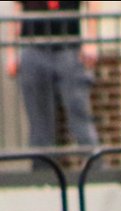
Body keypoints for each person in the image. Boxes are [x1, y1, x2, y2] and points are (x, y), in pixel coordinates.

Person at [5, 0, 101, 152]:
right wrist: (11, 53)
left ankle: (95, 170)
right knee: (39, 123)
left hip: (69, 48)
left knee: (79, 114)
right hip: (34, 48)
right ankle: (43, 173)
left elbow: (93, 4)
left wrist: (91, 41)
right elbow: (17, 11)